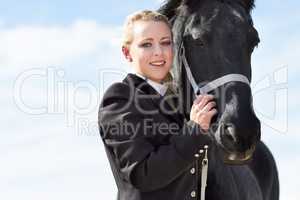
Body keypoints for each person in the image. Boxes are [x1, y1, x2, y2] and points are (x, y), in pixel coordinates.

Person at [98, 10, 217, 200]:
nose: (158, 52)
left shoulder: (180, 103)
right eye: (146, 44)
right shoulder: (120, 98)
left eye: (165, 42)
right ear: (127, 53)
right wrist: (195, 130)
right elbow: (143, 174)